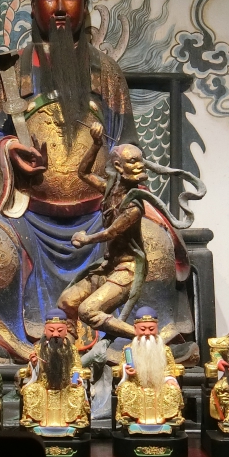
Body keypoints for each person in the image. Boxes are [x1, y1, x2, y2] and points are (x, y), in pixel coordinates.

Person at [0, 0, 192, 359]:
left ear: (84, 3)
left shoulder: (106, 72)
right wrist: (8, 151)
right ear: (33, 4)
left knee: (155, 245)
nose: (59, 7)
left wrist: (123, 159)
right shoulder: (13, 73)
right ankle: (5, 338)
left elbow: (127, 142)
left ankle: (134, 341)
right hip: (27, 219)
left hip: (99, 218)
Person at [58, 132, 147, 339]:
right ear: (118, 166)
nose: (141, 166)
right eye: (133, 161)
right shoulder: (110, 190)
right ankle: (70, 348)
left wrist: (86, 239)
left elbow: (111, 232)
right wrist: (96, 144)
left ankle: (146, 338)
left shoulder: (134, 206)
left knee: (88, 311)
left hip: (127, 270)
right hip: (108, 266)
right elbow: (83, 173)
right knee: (66, 301)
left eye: (141, 161)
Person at [19, 309, 89, 433]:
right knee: (31, 390)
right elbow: (31, 372)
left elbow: (77, 367)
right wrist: (34, 364)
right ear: (45, 331)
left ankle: (75, 419)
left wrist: (74, 379)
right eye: (51, 331)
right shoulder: (39, 349)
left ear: (66, 331)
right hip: (43, 386)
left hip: (65, 386)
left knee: (77, 392)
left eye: (60, 330)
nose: (55, 334)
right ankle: (32, 418)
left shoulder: (71, 350)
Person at [114, 306, 184, 429]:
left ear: (157, 328)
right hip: (136, 386)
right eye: (143, 329)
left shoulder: (164, 350)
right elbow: (121, 367)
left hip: (160, 386)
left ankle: (170, 416)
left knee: (172, 389)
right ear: (135, 329)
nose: (147, 333)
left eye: (151, 329)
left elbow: (170, 368)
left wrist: (169, 379)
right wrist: (126, 370)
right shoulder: (129, 349)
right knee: (125, 388)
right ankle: (130, 416)